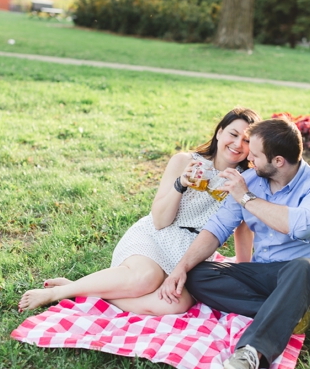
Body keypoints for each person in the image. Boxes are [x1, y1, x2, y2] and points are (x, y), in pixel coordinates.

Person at [18, 107, 259, 315]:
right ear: (219, 132)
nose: (238, 144)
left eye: (247, 140)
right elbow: (160, 220)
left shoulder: (244, 182)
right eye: (233, 134)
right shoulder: (184, 162)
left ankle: (84, 290)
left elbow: (243, 229)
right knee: (146, 279)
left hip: (193, 254)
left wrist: (242, 269)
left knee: (174, 305)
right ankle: (60, 292)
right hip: (157, 236)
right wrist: (181, 185)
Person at [160, 117, 310, 369]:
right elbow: (217, 228)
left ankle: (250, 354)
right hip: (265, 274)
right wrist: (181, 267)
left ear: (278, 161)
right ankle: (292, 311)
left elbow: (301, 226)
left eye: (255, 155)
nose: (249, 159)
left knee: (301, 267)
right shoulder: (251, 180)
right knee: (198, 272)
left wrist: (246, 198)